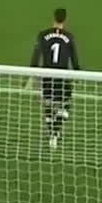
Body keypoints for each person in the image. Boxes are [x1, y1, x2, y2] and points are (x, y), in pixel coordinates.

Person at [31, 8, 81, 149]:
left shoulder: (43, 35)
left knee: (48, 104)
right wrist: (78, 73)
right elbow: (74, 59)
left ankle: (51, 132)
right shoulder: (69, 37)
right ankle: (56, 131)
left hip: (47, 75)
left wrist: (33, 70)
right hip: (62, 76)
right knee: (65, 104)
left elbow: (36, 56)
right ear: (65, 19)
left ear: (54, 18)